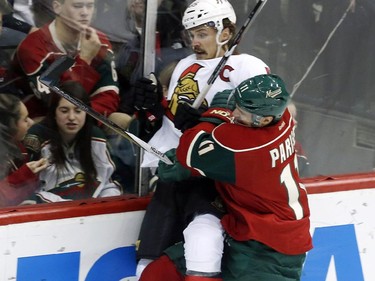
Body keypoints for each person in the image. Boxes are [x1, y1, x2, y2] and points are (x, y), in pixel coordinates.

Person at [134, 0, 270, 279]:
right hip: (174, 173)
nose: (194, 41)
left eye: (202, 34)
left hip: (215, 181)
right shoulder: (184, 65)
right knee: (149, 257)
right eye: (191, 34)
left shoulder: (247, 66)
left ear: (226, 32)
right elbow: (171, 125)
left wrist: (206, 124)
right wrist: (152, 109)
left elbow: (261, 126)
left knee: (202, 246)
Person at [141, 74, 313, 281]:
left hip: (269, 252)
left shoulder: (244, 148)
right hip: (250, 230)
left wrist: (211, 116)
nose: (235, 114)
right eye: (236, 107)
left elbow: (189, 150)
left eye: (242, 112)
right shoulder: (282, 118)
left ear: (265, 119)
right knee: (159, 274)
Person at [10, 0, 132, 129]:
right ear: (57, 7)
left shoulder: (99, 42)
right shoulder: (33, 47)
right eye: (77, 6)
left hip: (83, 118)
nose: (85, 13)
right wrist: (84, 60)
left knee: (122, 120)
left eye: (90, 6)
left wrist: (82, 117)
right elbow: (57, 101)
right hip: (41, 120)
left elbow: (109, 95)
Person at [23, 80, 122, 203]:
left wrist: (100, 206)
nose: (71, 117)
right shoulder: (37, 137)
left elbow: (109, 184)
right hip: (53, 216)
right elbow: (27, 191)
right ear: (54, 112)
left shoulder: (97, 138)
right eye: (64, 111)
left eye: (78, 111)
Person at [0, 93, 48, 207]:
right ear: (10, 125)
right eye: (25, 119)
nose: (31, 122)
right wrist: (24, 175)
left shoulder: (17, 145)